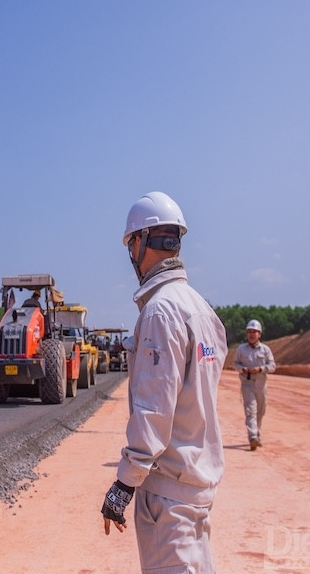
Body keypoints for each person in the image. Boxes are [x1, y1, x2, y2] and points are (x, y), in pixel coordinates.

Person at [101, 191, 228, 573]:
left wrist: (124, 485)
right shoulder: (201, 309)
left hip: (169, 497)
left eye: (130, 245)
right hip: (196, 488)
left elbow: (154, 411)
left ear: (139, 242)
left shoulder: (160, 311)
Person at [233, 319, 276, 451]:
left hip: (261, 385)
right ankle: (252, 437)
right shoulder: (241, 349)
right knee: (250, 410)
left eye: (254, 332)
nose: (251, 334)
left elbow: (272, 366)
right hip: (247, 385)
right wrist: (242, 369)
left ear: (259, 334)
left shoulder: (266, 349)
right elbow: (235, 364)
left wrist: (261, 369)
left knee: (260, 412)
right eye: (249, 332)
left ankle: (257, 435)